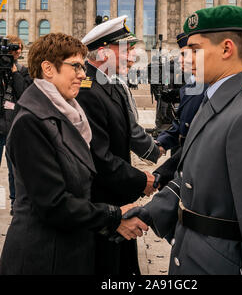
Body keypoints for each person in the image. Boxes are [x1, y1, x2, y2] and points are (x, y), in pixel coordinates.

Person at [124, 5, 242, 275]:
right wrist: (150, 212)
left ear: (226, 49)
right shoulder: (214, 101)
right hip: (193, 255)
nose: (186, 58)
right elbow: (191, 177)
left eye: (194, 49)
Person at [0, 32, 147, 275]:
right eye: (76, 66)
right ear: (48, 68)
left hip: (69, 250)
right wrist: (113, 216)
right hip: (43, 258)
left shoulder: (67, 112)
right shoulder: (31, 121)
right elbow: (54, 203)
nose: (83, 73)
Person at [77, 16, 158, 275]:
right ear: (102, 52)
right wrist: (140, 180)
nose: (133, 54)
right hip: (101, 203)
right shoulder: (89, 89)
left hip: (115, 197)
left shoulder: (106, 83)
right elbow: (98, 156)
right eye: (126, 48)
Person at [153, 33, 208, 189]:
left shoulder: (205, 86)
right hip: (183, 162)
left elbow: (195, 141)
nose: (180, 60)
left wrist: (161, 175)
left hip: (193, 169)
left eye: (186, 54)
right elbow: (180, 123)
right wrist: (160, 144)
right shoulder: (192, 84)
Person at [0, 35, 31, 215]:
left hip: (14, 126)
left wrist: (14, 73)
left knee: (15, 171)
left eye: (18, 48)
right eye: (13, 49)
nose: (16, 51)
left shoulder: (23, 71)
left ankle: (15, 203)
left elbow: (24, 94)